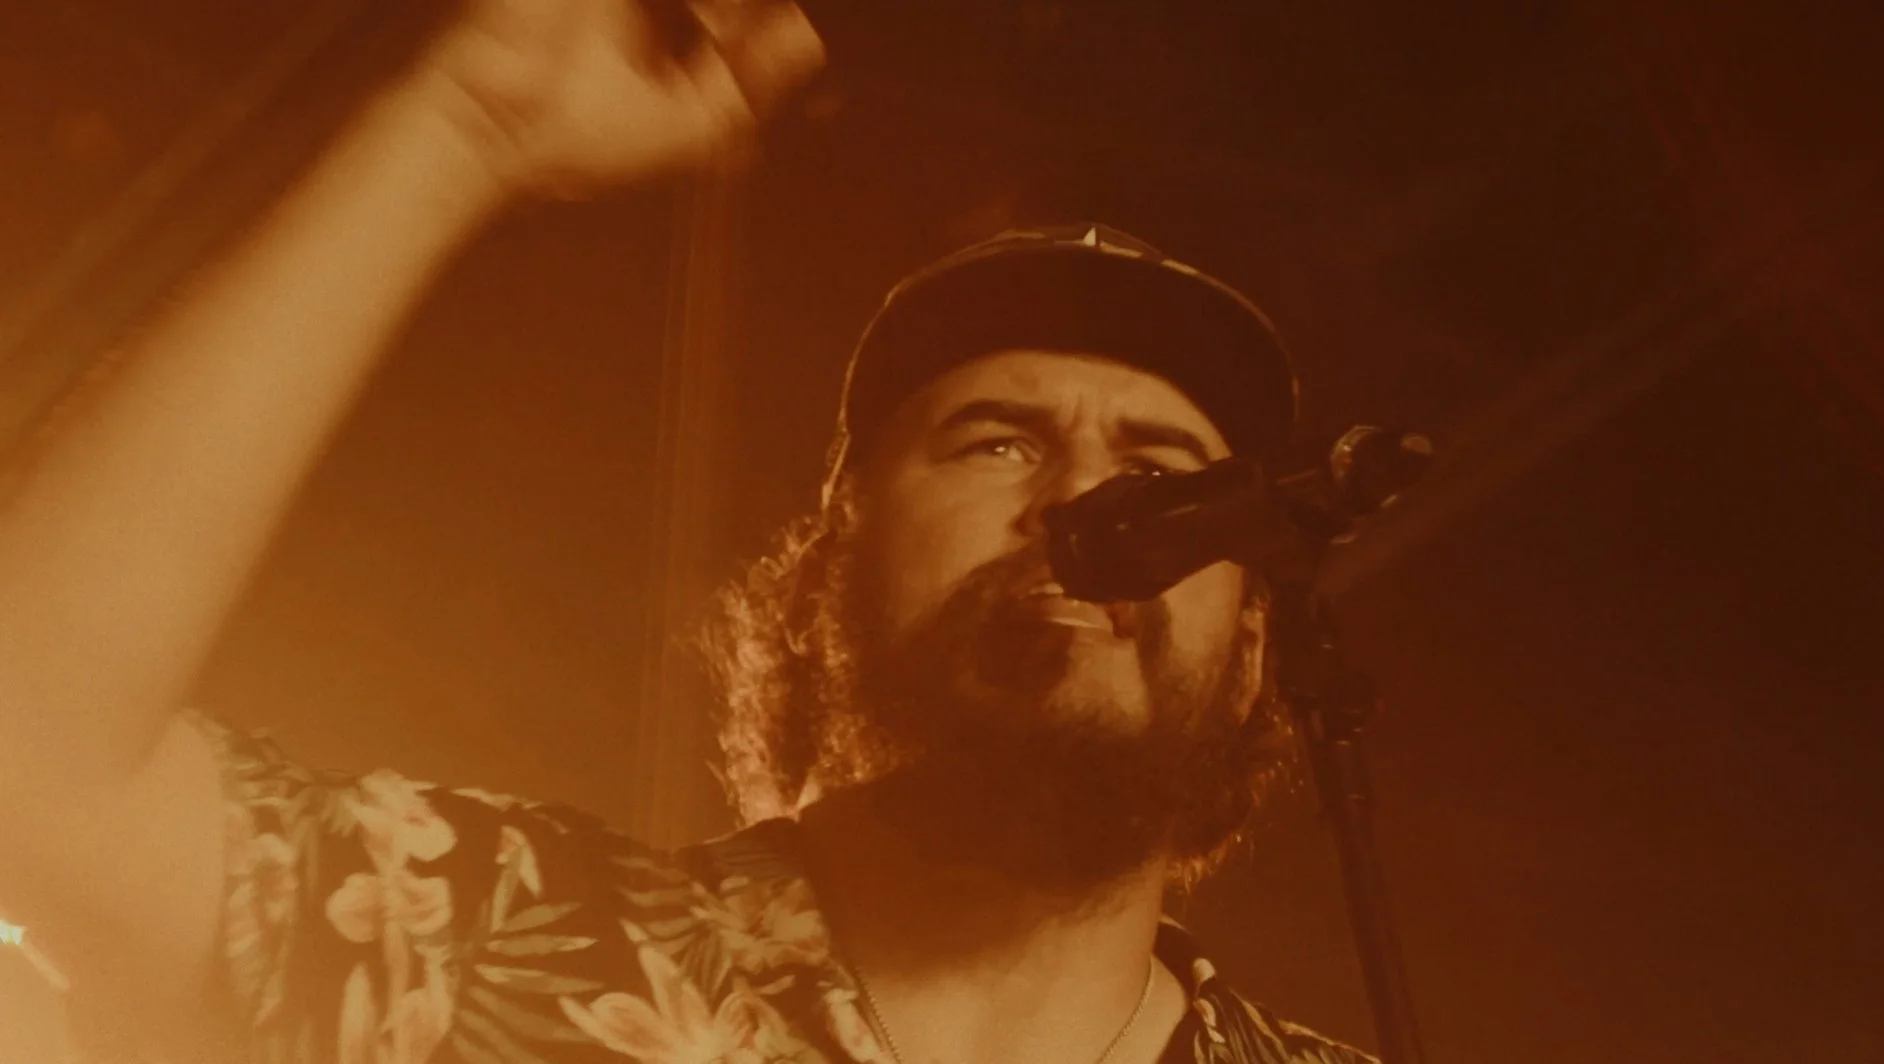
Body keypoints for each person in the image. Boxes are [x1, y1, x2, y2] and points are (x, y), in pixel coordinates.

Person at [0, 0, 1375, 1061]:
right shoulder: (489, 939)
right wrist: (463, 127)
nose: (1082, 493)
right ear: (829, 566)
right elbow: (25, 756)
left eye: (1162, 464)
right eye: (997, 440)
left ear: (1254, 642)